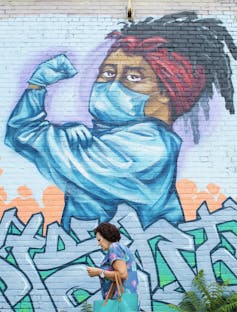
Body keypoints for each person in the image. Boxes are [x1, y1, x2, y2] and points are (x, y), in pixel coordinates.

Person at [5, 12, 237, 231]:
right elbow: (26, 136)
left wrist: (38, 88)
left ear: (167, 93)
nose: (110, 85)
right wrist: (37, 89)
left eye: (133, 77)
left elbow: (27, 136)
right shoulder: (101, 140)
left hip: (140, 265)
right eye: (106, 73)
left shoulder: (149, 147)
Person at [87, 222, 139, 300]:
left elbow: (122, 275)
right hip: (127, 299)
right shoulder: (123, 248)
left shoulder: (115, 247)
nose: (98, 244)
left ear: (106, 236)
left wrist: (99, 272)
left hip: (119, 301)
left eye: (99, 240)